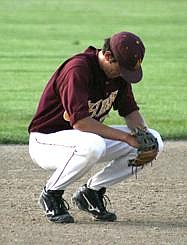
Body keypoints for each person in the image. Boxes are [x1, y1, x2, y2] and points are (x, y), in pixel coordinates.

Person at [28, 31, 163, 223]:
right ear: (108, 56)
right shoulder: (78, 69)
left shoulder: (118, 76)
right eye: (122, 69)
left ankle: (91, 192)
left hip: (83, 139)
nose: (124, 75)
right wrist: (126, 137)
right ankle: (51, 193)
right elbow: (81, 122)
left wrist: (143, 133)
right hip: (47, 141)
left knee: (154, 141)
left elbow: (130, 111)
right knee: (93, 145)